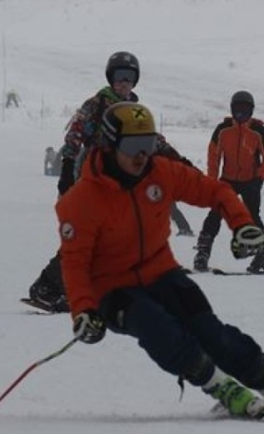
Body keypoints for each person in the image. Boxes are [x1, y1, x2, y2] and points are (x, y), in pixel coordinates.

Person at [59, 102, 264, 419]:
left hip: (162, 274)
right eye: (132, 146)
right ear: (110, 145)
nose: (141, 155)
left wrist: (242, 224)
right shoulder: (81, 201)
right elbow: (74, 263)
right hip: (113, 291)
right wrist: (83, 310)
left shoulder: (161, 173)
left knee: (211, 332)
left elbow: (216, 191)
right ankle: (220, 387)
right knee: (158, 328)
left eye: (148, 144)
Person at [27, 51, 195, 312]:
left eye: (129, 77)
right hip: (94, 179)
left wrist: (181, 162)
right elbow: (75, 134)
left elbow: (153, 141)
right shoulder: (97, 105)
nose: (124, 83)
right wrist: (67, 170)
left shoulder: (135, 112)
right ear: (110, 78)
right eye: (119, 77)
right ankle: (48, 287)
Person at [193, 90, 264, 274]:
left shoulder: (259, 131)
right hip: (227, 181)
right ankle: (202, 253)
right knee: (215, 214)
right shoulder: (222, 130)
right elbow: (213, 157)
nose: (241, 113)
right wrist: (212, 181)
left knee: (252, 216)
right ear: (232, 109)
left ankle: (263, 255)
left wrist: (259, 178)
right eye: (238, 109)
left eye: (245, 109)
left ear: (251, 110)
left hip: (251, 181)